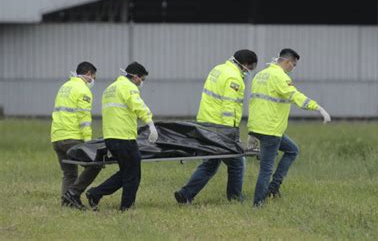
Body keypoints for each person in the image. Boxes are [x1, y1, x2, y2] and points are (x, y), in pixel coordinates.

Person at [247, 48, 331, 207]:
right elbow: (295, 96)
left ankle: (273, 188)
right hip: (270, 129)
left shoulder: (261, 75)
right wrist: (318, 108)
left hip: (260, 126)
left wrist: (252, 132)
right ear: (286, 62)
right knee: (266, 169)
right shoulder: (280, 77)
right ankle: (258, 204)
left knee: (292, 150)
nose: (293, 68)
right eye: (293, 65)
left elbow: (254, 102)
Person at [174, 49, 258, 204]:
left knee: (211, 163)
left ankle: (185, 194)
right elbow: (228, 107)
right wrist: (230, 134)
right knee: (237, 162)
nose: (249, 72)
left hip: (205, 123)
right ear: (245, 64)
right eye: (250, 68)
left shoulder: (217, 69)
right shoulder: (234, 78)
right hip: (220, 128)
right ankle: (234, 198)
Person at [86, 62, 158, 211]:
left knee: (127, 172)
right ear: (135, 77)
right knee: (133, 174)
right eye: (142, 79)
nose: (141, 83)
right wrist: (150, 123)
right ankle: (126, 208)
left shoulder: (110, 88)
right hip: (124, 137)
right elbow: (138, 105)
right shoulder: (128, 87)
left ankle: (95, 193)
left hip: (111, 137)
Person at [51, 61, 101, 210]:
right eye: (94, 77)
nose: (94, 80)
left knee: (69, 173)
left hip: (57, 137)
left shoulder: (64, 87)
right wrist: (88, 143)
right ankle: (73, 193)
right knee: (95, 164)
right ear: (88, 74)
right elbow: (84, 118)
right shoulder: (83, 90)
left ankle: (67, 204)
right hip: (72, 138)